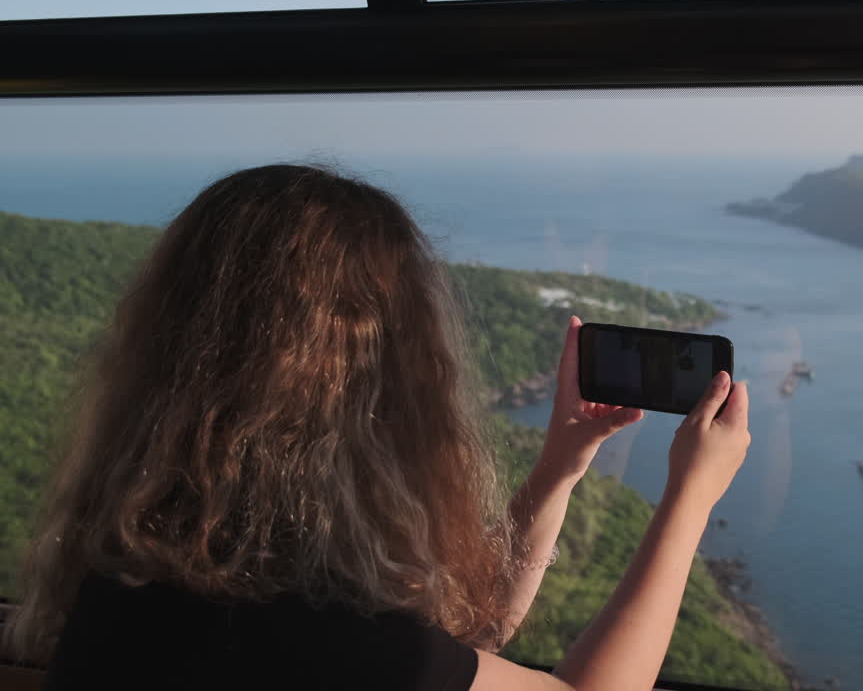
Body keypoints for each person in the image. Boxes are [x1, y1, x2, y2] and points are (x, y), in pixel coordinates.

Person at [2, 164, 751, 691]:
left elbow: (467, 637)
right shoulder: (334, 639)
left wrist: (562, 462)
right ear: (384, 379)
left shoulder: (128, 585)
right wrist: (690, 498)